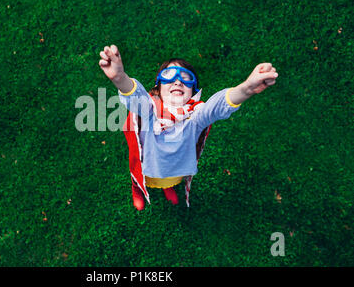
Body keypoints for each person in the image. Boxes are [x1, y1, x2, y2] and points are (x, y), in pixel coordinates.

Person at [99, 45, 278, 210]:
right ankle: (136, 189)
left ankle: (167, 188)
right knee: (139, 178)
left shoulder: (196, 117)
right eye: (170, 76)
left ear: (193, 92)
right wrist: (120, 78)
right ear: (158, 88)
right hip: (147, 165)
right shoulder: (148, 111)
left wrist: (246, 88)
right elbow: (135, 97)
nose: (178, 81)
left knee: (169, 181)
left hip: (175, 169)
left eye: (186, 79)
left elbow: (217, 105)